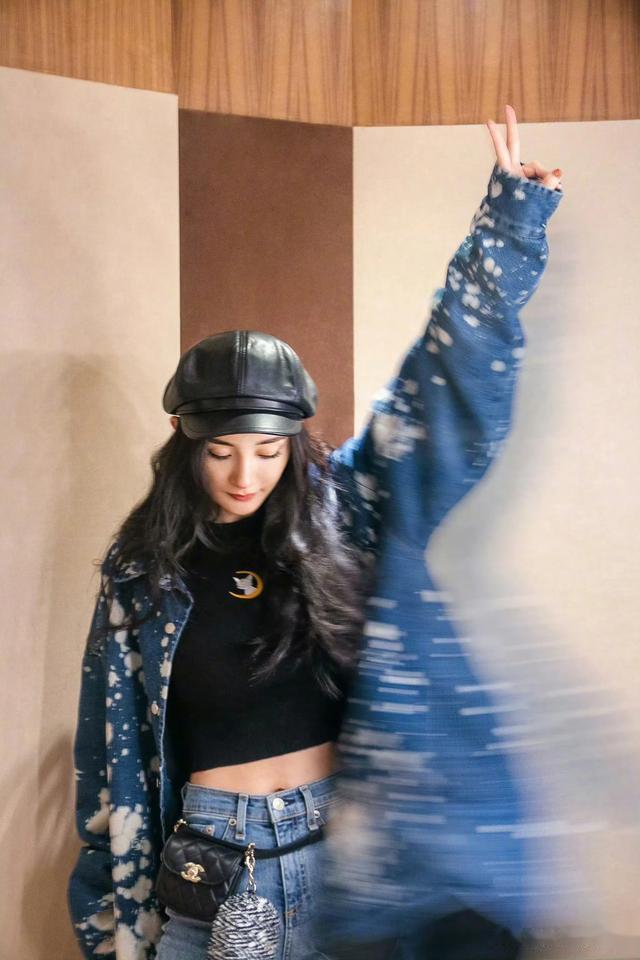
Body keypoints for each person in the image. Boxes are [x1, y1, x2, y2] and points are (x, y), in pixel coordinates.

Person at [67, 104, 564, 960]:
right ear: (184, 442)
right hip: (220, 867)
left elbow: (438, 391)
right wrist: (108, 920)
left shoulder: (345, 513)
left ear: (294, 443)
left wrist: (508, 228)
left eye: (267, 451)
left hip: (349, 859)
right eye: (220, 452)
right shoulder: (143, 572)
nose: (245, 475)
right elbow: (108, 753)